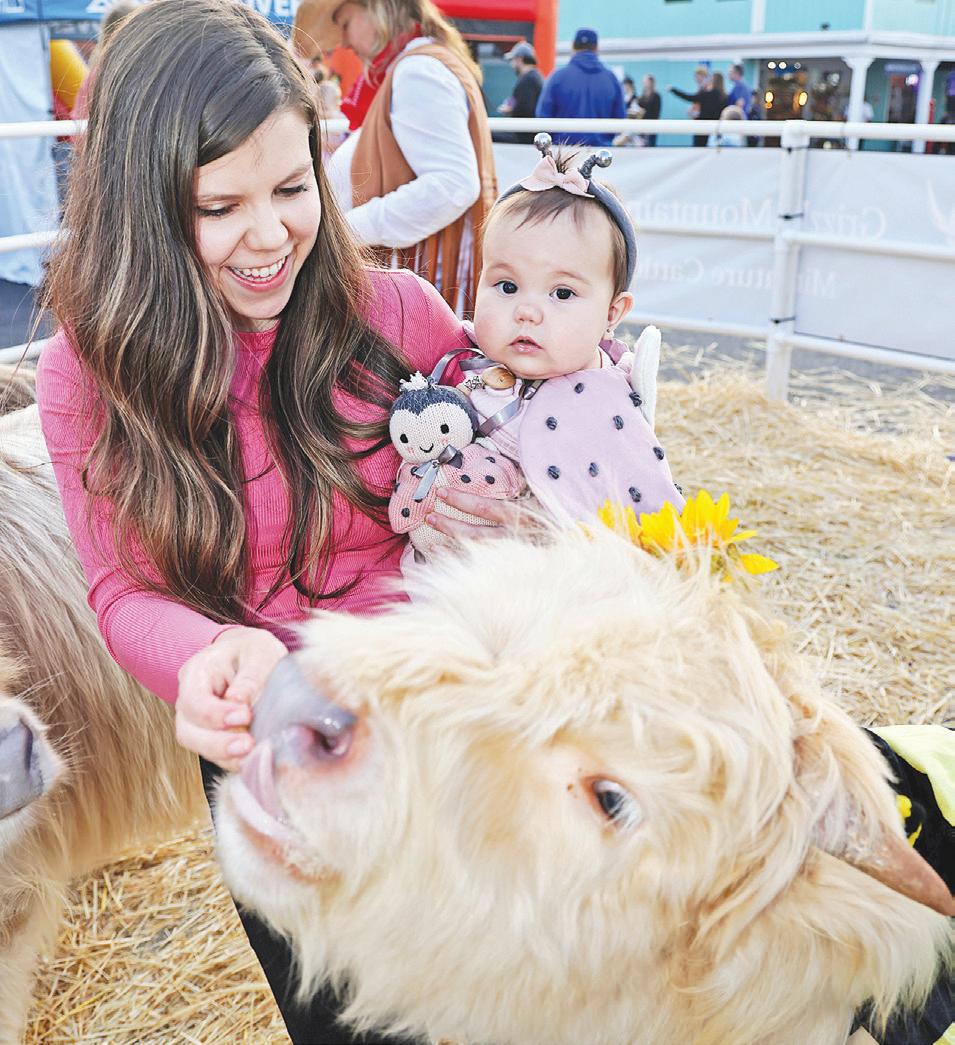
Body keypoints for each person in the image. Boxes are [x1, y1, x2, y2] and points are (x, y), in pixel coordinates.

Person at [35, 2, 516, 1041]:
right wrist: (206, 654)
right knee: (339, 1017)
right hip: (268, 750)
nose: (269, 236)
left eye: (294, 189)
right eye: (219, 206)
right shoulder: (85, 375)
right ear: (140, 206)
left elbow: (520, 459)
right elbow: (121, 584)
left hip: (439, 729)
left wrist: (506, 511)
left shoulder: (401, 316)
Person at [411, 139, 683, 553]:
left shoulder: (606, 405)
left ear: (612, 313)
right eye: (507, 286)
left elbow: (651, 531)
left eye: (562, 293)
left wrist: (561, 540)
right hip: (426, 574)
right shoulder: (457, 359)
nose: (527, 312)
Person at [293, 0, 496, 316]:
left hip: (420, 287)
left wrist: (345, 230)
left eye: (346, 24)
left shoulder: (418, 70)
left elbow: (453, 184)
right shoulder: (422, 64)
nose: (344, 42)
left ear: (377, 9)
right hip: (421, 279)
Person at [535, 28, 626, 148]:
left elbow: (543, 116)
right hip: (600, 151)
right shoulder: (611, 79)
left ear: (573, 46)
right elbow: (619, 119)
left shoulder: (557, 77)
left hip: (564, 151)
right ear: (596, 47)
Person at [496, 40, 544, 145]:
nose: (512, 65)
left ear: (519, 59)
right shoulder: (535, 77)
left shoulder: (528, 80)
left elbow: (526, 110)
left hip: (524, 137)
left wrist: (511, 110)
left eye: (513, 60)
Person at [669, 70, 726, 148]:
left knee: (699, 148)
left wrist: (673, 90)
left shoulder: (706, 94)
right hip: (717, 129)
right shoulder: (724, 97)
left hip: (702, 127)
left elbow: (688, 97)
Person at [612, 76, 645, 147]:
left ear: (629, 85)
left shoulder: (635, 98)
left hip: (631, 126)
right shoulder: (624, 97)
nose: (624, 87)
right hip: (623, 126)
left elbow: (638, 112)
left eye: (625, 85)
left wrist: (628, 112)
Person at [639, 74, 662, 146]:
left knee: (650, 145)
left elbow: (656, 112)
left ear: (651, 82)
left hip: (652, 125)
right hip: (642, 125)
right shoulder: (643, 95)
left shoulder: (656, 96)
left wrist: (644, 112)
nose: (644, 83)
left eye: (646, 81)